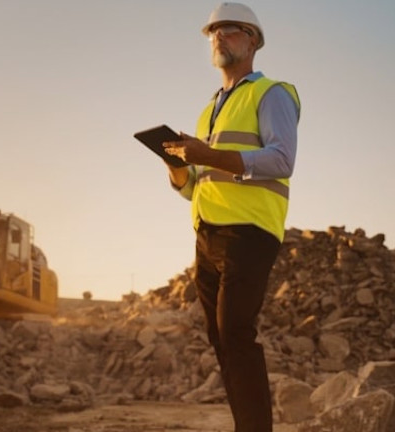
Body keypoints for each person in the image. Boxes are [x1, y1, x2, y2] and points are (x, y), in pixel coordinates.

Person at [162, 3, 300, 432]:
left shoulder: (272, 92)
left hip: (249, 231)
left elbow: (282, 159)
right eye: (213, 32)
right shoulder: (210, 109)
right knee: (222, 338)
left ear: (253, 40)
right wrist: (179, 169)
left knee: (236, 332)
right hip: (207, 235)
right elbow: (196, 186)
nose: (219, 37)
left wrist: (209, 154)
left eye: (231, 30)